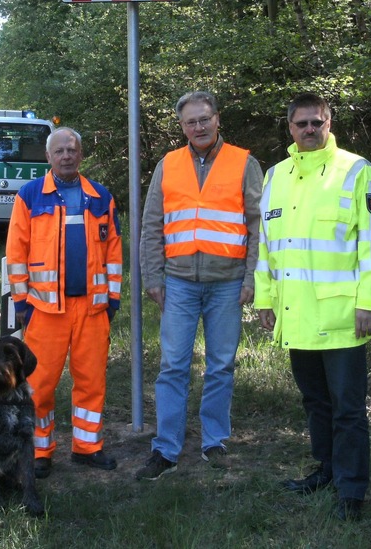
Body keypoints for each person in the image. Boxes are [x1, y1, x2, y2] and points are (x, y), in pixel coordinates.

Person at [254, 92, 371, 521]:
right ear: (289, 128)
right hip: (296, 315)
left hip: (343, 317)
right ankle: (326, 470)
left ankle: (352, 491)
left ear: (328, 123)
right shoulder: (276, 176)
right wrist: (265, 300)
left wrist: (370, 302)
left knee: (348, 408)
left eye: (317, 122)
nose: (309, 130)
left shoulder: (356, 171)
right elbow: (267, 248)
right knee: (315, 402)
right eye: (301, 124)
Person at [136, 90, 263, 480]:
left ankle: (214, 441)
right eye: (190, 122)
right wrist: (152, 275)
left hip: (228, 283)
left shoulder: (244, 162)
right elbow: (152, 223)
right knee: (173, 366)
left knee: (221, 365)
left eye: (204, 119)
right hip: (178, 284)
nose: (198, 126)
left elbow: (260, 225)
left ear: (217, 118)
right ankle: (166, 448)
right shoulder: (168, 164)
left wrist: (253, 276)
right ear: (182, 126)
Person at [6, 127, 122, 478]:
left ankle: (87, 447)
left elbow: (114, 252)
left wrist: (112, 298)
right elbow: (16, 252)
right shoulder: (30, 195)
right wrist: (21, 301)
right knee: (39, 384)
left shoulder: (101, 197)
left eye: (72, 150)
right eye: (60, 151)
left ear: (81, 154)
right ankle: (39, 451)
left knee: (91, 381)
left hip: (92, 309)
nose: (66, 156)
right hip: (44, 310)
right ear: (48, 157)